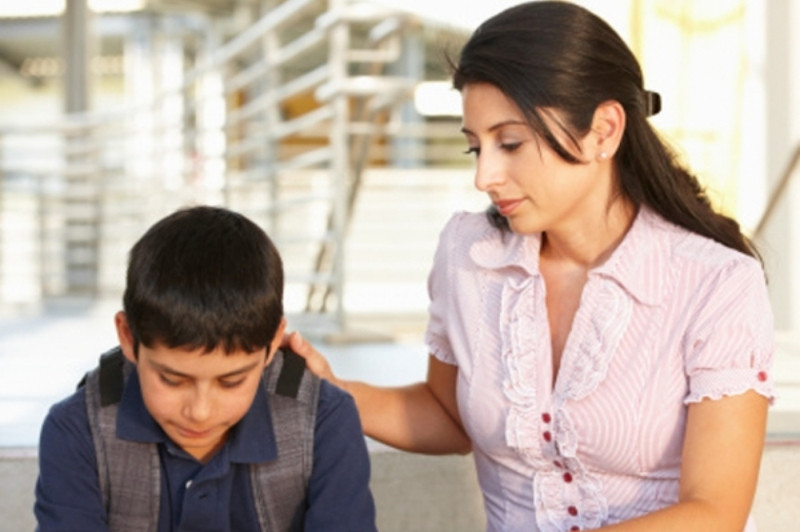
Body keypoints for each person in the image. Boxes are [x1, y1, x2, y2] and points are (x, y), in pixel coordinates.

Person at [286, 1, 775, 531]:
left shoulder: (717, 283)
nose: (486, 176)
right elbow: (449, 416)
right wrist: (332, 391)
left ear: (604, 130)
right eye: (476, 148)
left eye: (511, 143)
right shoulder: (468, 256)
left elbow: (715, 511)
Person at [35, 206, 376, 531]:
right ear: (127, 336)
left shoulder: (325, 421)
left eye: (232, 381)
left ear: (274, 342)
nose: (199, 412)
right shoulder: (77, 431)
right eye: (171, 379)